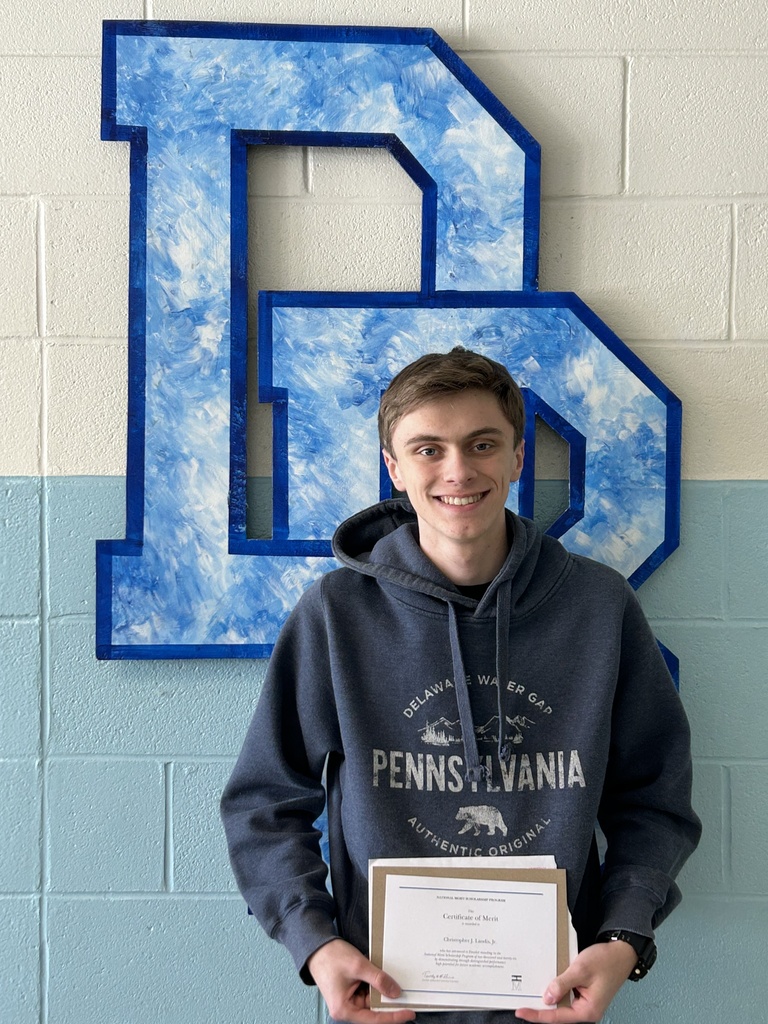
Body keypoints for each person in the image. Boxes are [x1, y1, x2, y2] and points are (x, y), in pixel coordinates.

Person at [221, 347, 700, 1024]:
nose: (457, 470)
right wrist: (315, 942)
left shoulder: (600, 608)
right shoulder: (335, 614)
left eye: (482, 444)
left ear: (517, 458)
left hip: (553, 1001)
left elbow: (655, 799)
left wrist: (624, 937)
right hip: (382, 1000)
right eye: (427, 449)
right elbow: (264, 801)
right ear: (394, 466)